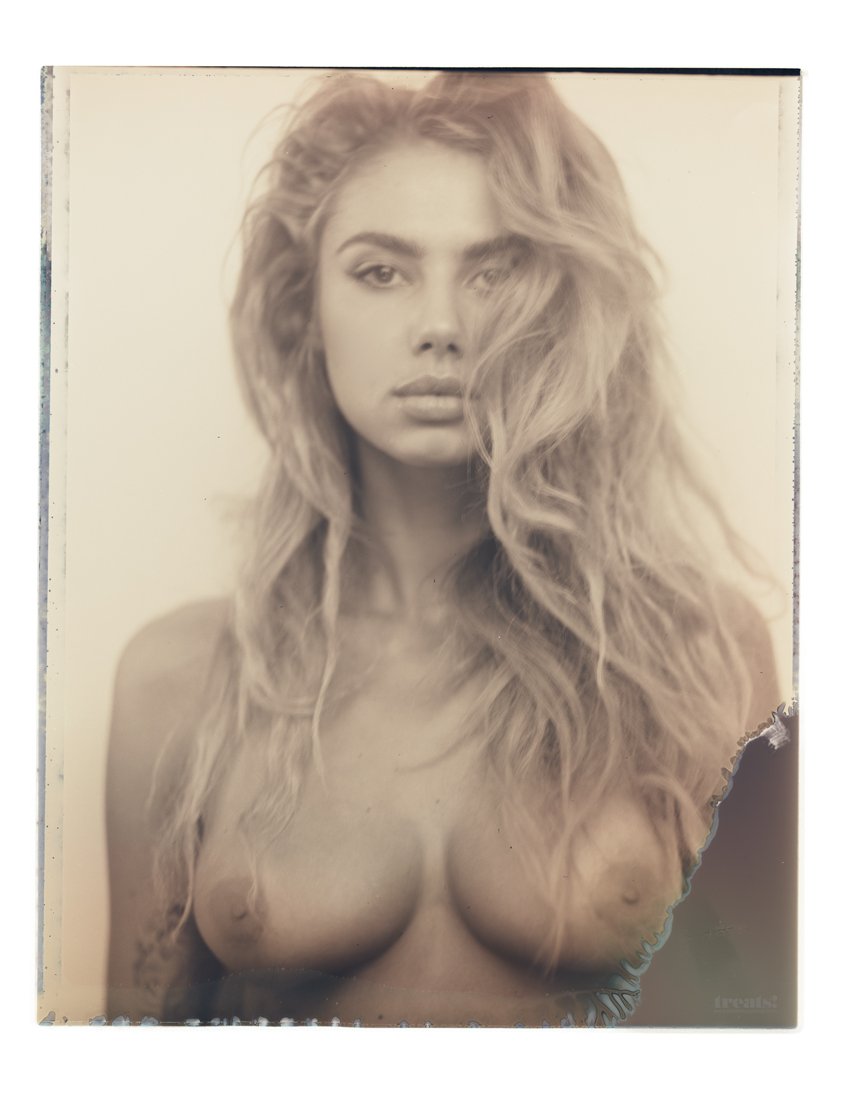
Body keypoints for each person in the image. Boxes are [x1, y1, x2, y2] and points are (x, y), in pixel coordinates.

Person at [105, 70, 783, 1027]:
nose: (439, 328)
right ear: (305, 310)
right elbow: (133, 1056)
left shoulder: (695, 653)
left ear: (560, 305)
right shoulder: (179, 682)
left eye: (492, 272)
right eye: (380, 271)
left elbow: (755, 1033)